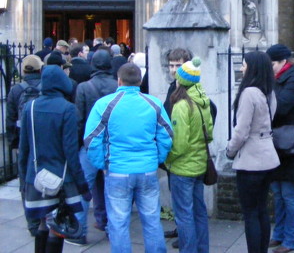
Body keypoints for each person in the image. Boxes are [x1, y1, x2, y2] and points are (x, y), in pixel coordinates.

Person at [85, 63, 173, 253]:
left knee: (118, 223)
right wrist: (157, 158)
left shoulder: (105, 104)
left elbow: (91, 140)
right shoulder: (153, 103)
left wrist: (103, 164)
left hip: (117, 171)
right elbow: (167, 134)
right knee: (151, 221)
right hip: (147, 170)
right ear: (140, 81)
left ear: (119, 80)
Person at [18, 65, 91, 253]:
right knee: (57, 226)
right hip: (61, 179)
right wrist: (82, 185)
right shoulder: (68, 109)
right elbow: (70, 151)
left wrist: (22, 182)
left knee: (43, 224)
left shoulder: (29, 107)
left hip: (35, 177)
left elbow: (24, 149)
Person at [226, 51, 279, 253]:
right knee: (261, 210)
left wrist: (230, 151)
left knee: (250, 213)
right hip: (268, 156)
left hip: (250, 160)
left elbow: (241, 131)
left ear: (253, 67)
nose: (242, 68)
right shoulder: (268, 91)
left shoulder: (249, 93)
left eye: (244, 65)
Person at [70, 49, 118, 246]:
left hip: (90, 145)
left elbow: (79, 120)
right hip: (112, 145)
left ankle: (79, 231)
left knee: (83, 188)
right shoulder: (118, 86)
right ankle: (110, 228)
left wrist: (79, 145)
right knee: (111, 190)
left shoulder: (83, 88)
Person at [165, 57, 212, 253]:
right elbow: (208, 133)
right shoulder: (203, 101)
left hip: (183, 168)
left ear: (181, 80)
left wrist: (168, 159)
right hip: (199, 164)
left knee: (184, 215)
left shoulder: (181, 105)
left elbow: (179, 143)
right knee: (199, 213)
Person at [265, 44, 294, 253]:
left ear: (283, 62)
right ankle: (279, 234)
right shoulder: (273, 81)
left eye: (271, 64)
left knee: (290, 194)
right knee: (278, 192)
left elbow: (279, 108)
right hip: (276, 143)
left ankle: (291, 240)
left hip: (291, 144)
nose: (268, 68)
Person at [6, 55, 43, 236]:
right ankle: (46, 216)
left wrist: (14, 141)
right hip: (43, 140)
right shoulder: (46, 87)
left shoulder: (16, 90)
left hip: (24, 141)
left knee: (25, 181)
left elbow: (11, 119)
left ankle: (32, 221)